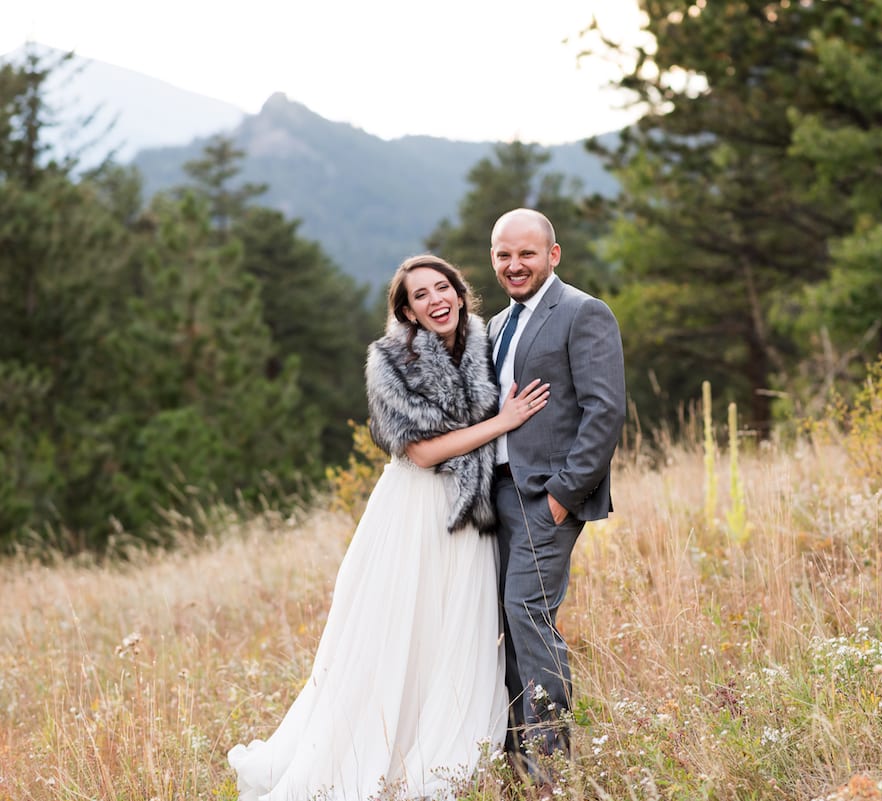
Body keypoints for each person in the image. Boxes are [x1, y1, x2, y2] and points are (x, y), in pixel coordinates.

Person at [228, 254, 551, 801]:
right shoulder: (391, 361)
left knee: (455, 634)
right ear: (406, 310)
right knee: (400, 635)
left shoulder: (482, 342)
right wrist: (503, 422)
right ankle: (374, 759)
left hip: (470, 514)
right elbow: (422, 453)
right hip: (416, 513)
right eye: (420, 295)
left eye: (442, 287)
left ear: (459, 291)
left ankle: (447, 755)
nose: (436, 299)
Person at [487, 208, 625, 785]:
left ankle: (550, 775)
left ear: (553, 254)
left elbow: (605, 411)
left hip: (545, 499)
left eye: (526, 254)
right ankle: (515, 768)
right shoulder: (496, 325)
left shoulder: (582, 312)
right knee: (503, 626)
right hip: (493, 499)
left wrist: (563, 498)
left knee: (529, 616)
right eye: (503, 255)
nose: (515, 265)